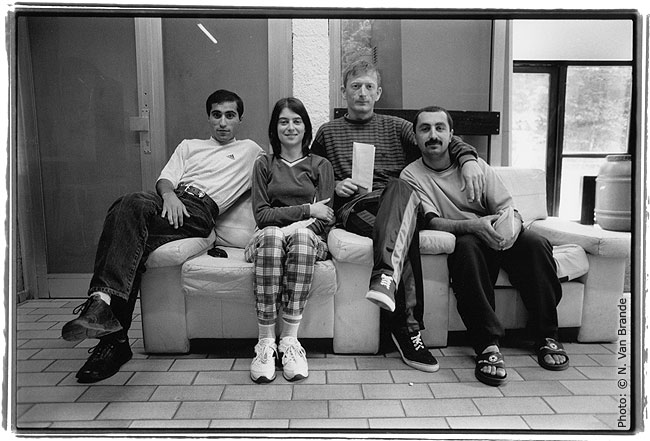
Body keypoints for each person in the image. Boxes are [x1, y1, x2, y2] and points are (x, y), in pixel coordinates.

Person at [61, 89, 264, 383]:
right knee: (129, 222)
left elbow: (280, 168)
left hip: (200, 211)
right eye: (216, 115)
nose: (223, 122)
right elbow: (167, 178)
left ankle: (101, 305)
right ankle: (113, 339)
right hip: (171, 201)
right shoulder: (189, 146)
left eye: (230, 115)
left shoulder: (251, 151)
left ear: (239, 120)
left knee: (129, 206)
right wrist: (169, 195)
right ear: (208, 117)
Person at [310, 59, 484, 373]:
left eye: (369, 87)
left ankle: (389, 287)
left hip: (400, 201)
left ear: (378, 93)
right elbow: (311, 177)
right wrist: (334, 185)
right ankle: (408, 331)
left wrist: (469, 159)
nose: (362, 93)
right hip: (357, 207)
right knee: (403, 229)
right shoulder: (327, 132)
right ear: (344, 92)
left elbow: (439, 140)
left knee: (401, 189)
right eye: (355, 87)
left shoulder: (397, 126)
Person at [400, 105, 570, 386]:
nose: (433, 135)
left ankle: (547, 335)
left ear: (451, 134)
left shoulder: (476, 165)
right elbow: (432, 221)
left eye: (440, 128)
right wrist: (474, 226)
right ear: (415, 137)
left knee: (537, 243)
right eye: (425, 129)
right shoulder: (411, 175)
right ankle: (487, 345)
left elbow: (508, 208)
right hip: (466, 236)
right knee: (466, 249)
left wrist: (509, 229)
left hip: (497, 230)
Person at [244, 97, 335, 383]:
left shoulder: (321, 165)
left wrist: (292, 227)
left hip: (308, 241)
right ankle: (265, 343)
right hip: (266, 240)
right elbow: (262, 216)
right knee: (272, 235)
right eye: (283, 121)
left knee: (301, 236)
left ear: (306, 127)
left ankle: (290, 342)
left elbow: (325, 218)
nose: (290, 127)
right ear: (275, 128)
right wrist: (307, 209)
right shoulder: (264, 164)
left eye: (297, 121)